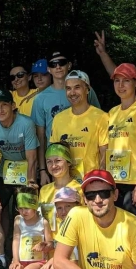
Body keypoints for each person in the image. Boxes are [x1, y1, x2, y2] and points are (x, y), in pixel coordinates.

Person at [0, 88, 39, 269]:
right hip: (5, 172)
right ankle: (0, 260)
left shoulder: (26, 123)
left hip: (27, 172)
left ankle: (26, 259)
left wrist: (30, 185)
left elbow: (32, 158)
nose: (0, 110)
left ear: (13, 106)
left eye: (4, 105)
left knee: (25, 212)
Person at [32, 52, 101, 183]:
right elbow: (40, 137)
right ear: (48, 69)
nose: (58, 67)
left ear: (69, 65)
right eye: (53, 64)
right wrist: (42, 170)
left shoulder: (87, 90)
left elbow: (99, 121)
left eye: (61, 63)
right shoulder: (40, 99)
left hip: (89, 162)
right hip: (57, 163)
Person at [106, 63, 136, 216]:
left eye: (126, 80)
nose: (120, 85)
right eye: (116, 80)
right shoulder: (112, 112)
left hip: (135, 182)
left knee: (133, 232)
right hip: (114, 182)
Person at [48, 70, 108, 178]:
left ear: (87, 89)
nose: (72, 93)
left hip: (91, 182)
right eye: (68, 88)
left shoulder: (101, 117)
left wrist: (101, 180)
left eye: (77, 87)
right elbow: (55, 155)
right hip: (66, 183)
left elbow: (105, 154)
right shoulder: (58, 118)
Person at [37, 142, 82, 234]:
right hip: (49, 243)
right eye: (49, 161)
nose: (53, 166)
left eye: (58, 160)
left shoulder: (79, 188)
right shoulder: (44, 190)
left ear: (68, 162)